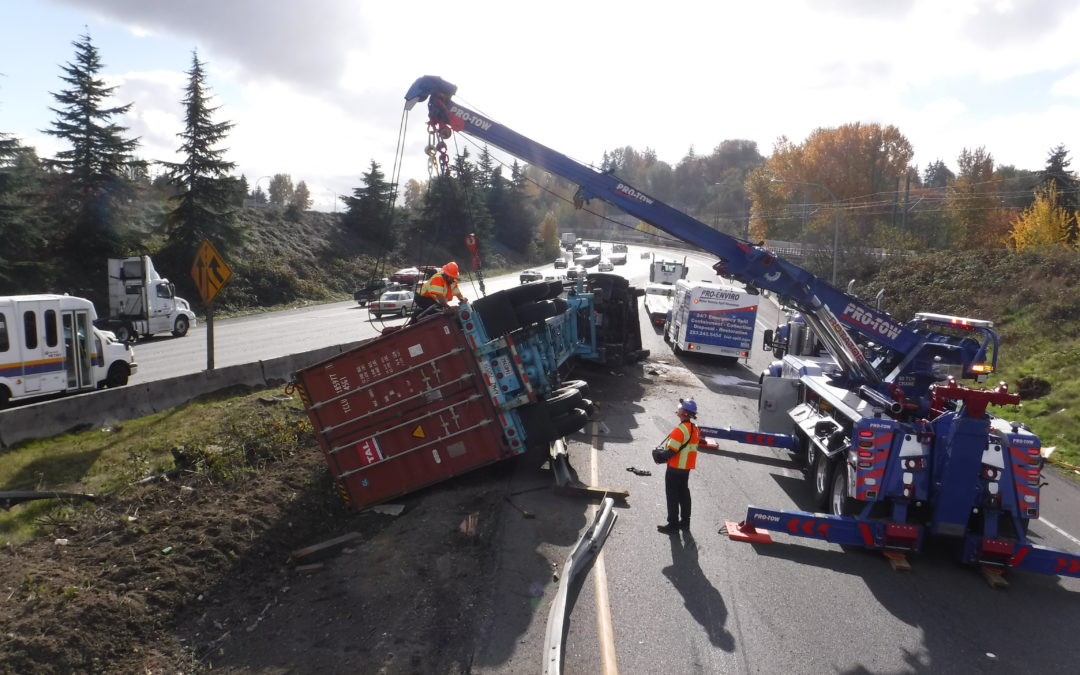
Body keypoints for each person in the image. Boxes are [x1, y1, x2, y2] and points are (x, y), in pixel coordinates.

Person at [656, 398, 701, 534]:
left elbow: (671, 451)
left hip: (674, 469)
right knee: (683, 494)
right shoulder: (695, 429)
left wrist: (659, 457)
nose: (678, 409)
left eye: (681, 408)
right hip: (686, 468)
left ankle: (673, 524)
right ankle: (685, 522)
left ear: (685, 413)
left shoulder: (679, 430)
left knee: (672, 497)